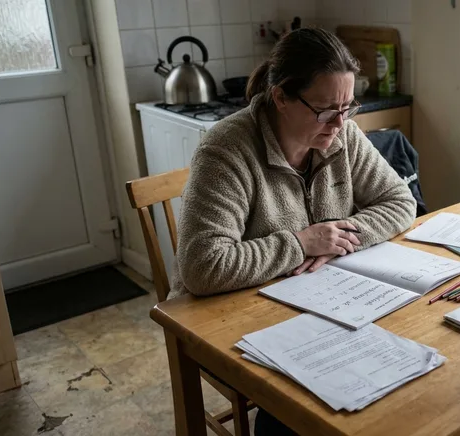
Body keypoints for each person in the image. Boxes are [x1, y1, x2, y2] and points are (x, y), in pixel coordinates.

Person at [171, 28, 416, 435]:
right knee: (302, 412)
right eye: (324, 110)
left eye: (348, 107)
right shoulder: (226, 149)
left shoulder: (342, 133)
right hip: (229, 318)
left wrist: (337, 237)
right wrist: (301, 242)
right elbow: (203, 266)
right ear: (281, 97)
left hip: (320, 304)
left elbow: (400, 202)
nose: (339, 123)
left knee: (389, 379)